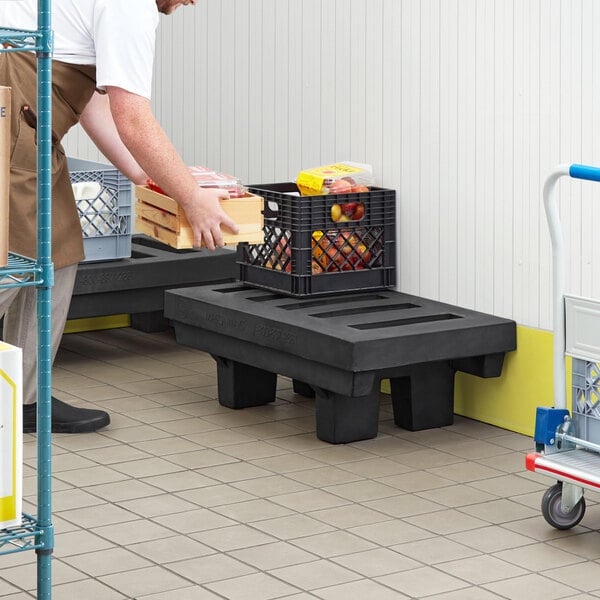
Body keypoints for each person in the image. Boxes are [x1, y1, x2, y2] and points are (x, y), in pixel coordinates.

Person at [0, 0, 239, 433]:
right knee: (11, 263)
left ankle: (23, 398)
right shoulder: (131, 5)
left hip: (30, 124)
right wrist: (192, 197)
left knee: (56, 252)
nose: (192, 2)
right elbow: (132, 117)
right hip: (13, 123)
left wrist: (142, 173)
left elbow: (89, 101)